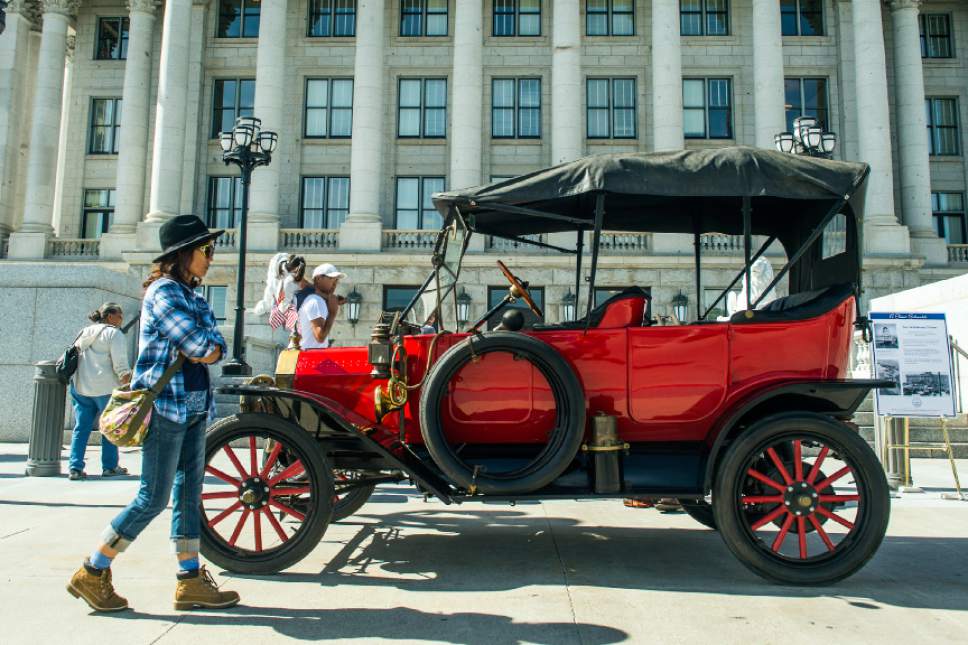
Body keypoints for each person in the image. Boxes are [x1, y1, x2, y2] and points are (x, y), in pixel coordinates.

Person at [67, 214, 239, 613]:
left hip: (195, 406)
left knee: (187, 495)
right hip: (165, 408)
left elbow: (217, 343)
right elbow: (200, 345)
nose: (211, 257)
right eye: (205, 249)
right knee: (152, 497)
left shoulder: (193, 296)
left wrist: (207, 344)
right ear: (183, 254)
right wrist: (205, 345)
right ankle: (93, 570)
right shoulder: (163, 293)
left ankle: (190, 579)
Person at [68, 302, 132, 480]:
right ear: (110, 316)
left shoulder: (85, 332)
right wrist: (127, 385)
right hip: (105, 388)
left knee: (81, 428)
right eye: (120, 315)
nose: (121, 319)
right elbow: (120, 365)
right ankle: (109, 467)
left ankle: (75, 467)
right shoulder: (114, 333)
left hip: (81, 386)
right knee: (110, 428)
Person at [297, 263, 346, 349]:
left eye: (336, 280)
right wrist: (332, 313)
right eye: (331, 279)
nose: (335, 284)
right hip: (310, 358)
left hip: (308, 355)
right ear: (319, 278)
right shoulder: (316, 301)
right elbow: (320, 337)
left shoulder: (314, 299)